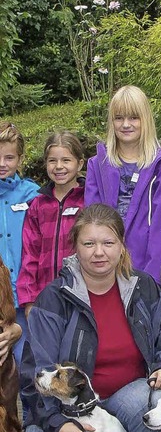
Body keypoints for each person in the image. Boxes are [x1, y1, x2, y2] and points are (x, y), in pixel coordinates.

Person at [13, 204, 161, 432]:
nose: (99, 252)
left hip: (123, 404)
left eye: (108, 243)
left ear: (121, 246)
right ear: (75, 249)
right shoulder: (55, 297)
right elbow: (34, 375)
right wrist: (58, 427)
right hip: (66, 412)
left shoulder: (143, 287)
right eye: (88, 244)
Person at [85, 85, 161, 284]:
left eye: (134, 117)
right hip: (105, 266)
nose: (126, 124)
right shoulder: (97, 164)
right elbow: (91, 219)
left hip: (146, 264)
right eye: (119, 118)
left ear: (146, 119)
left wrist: (153, 275)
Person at [18, 131, 85, 319]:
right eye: (52, 161)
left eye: (66, 160)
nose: (59, 167)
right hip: (45, 298)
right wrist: (30, 299)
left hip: (81, 295)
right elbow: (30, 255)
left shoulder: (87, 200)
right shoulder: (38, 205)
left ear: (79, 163)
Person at [0, 122, 39, 362]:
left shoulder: (32, 194)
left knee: (28, 363)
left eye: (9, 157)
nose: (2, 164)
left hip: (26, 297)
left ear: (20, 159)